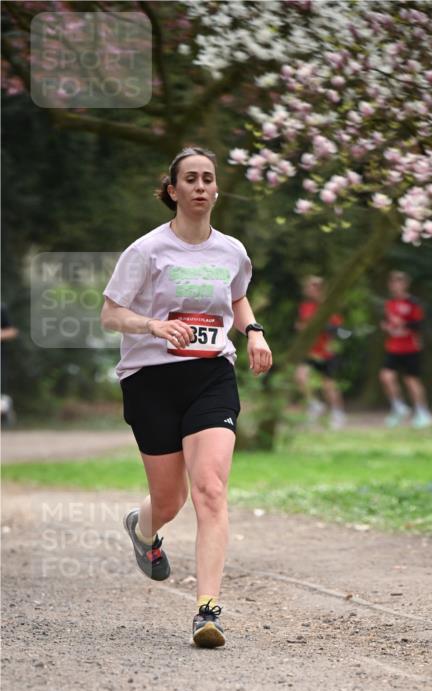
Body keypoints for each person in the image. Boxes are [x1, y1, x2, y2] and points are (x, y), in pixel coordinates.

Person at [101, 146, 272, 648]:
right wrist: (155, 325)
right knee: (170, 500)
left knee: (211, 490)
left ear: (216, 190)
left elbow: (236, 296)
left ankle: (207, 611)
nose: (200, 186)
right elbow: (111, 314)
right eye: (190, 179)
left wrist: (254, 332)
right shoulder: (147, 251)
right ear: (173, 191)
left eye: (208, 179)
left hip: (210, 375)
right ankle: (144, 528)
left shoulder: (232, 251)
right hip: (150, 378)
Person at [378, 271, 432, 428]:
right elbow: (388, 323)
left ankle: (423, 412)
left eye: (399, 282)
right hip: (393, 347)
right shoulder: (389, 304)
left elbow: (418, 324)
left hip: (410, 348)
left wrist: (403, 324)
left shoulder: (413, 303)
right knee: (386, 377)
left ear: (405, 284)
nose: (395, 286)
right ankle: (398, 407)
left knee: (411, 381)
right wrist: (388, 327)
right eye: (393, 282)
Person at [294, 276, 346, 429]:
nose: (309, 289)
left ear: (320, 289)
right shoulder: (305, 306)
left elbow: (337, 329)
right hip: (310, 351)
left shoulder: (328, 307)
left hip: (326, 352)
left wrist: (318, 328)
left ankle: (338, 413)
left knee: (328, 385)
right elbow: (302, 324)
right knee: (300, 376)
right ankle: (314, 405)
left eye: (312, 286)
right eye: (308, 286)